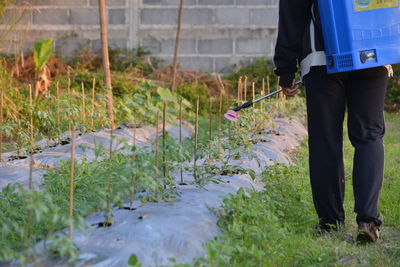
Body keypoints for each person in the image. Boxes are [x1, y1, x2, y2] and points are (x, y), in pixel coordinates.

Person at [274, 0, 390, 243]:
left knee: (325, 140)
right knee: (369, 135)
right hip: (373, 53)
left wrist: (285, 67)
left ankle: (330, 223)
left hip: (322, 60)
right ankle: (368, 220)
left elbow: (292, 13)